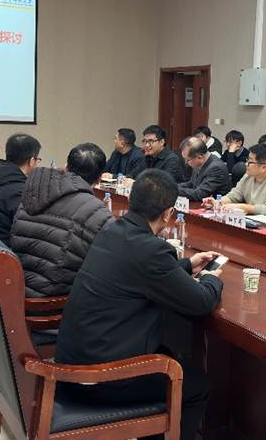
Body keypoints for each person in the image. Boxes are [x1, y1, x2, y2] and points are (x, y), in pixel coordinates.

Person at [55, 169, 224, 440]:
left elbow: (141, 272)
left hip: (72, 363)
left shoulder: (112, 231)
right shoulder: (151, 250)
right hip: (99, 379)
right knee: (196, 385)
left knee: (169, 356)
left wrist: (185, 266)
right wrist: (211, 279)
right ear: (168, 213)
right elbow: (202, 302)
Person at [11, 143, 114, 297]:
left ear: (66, 167)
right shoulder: (98, 213)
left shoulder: (34, 191)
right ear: (99, 178)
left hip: (16, 287)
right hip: (56, 298)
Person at [205, 144, 266, 215]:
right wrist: (218, 202)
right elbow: (233, 196)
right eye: (247, 160)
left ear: (264, 167)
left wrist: (242, 207)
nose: (246, 164)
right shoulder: (249, 175)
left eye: (250, 161)